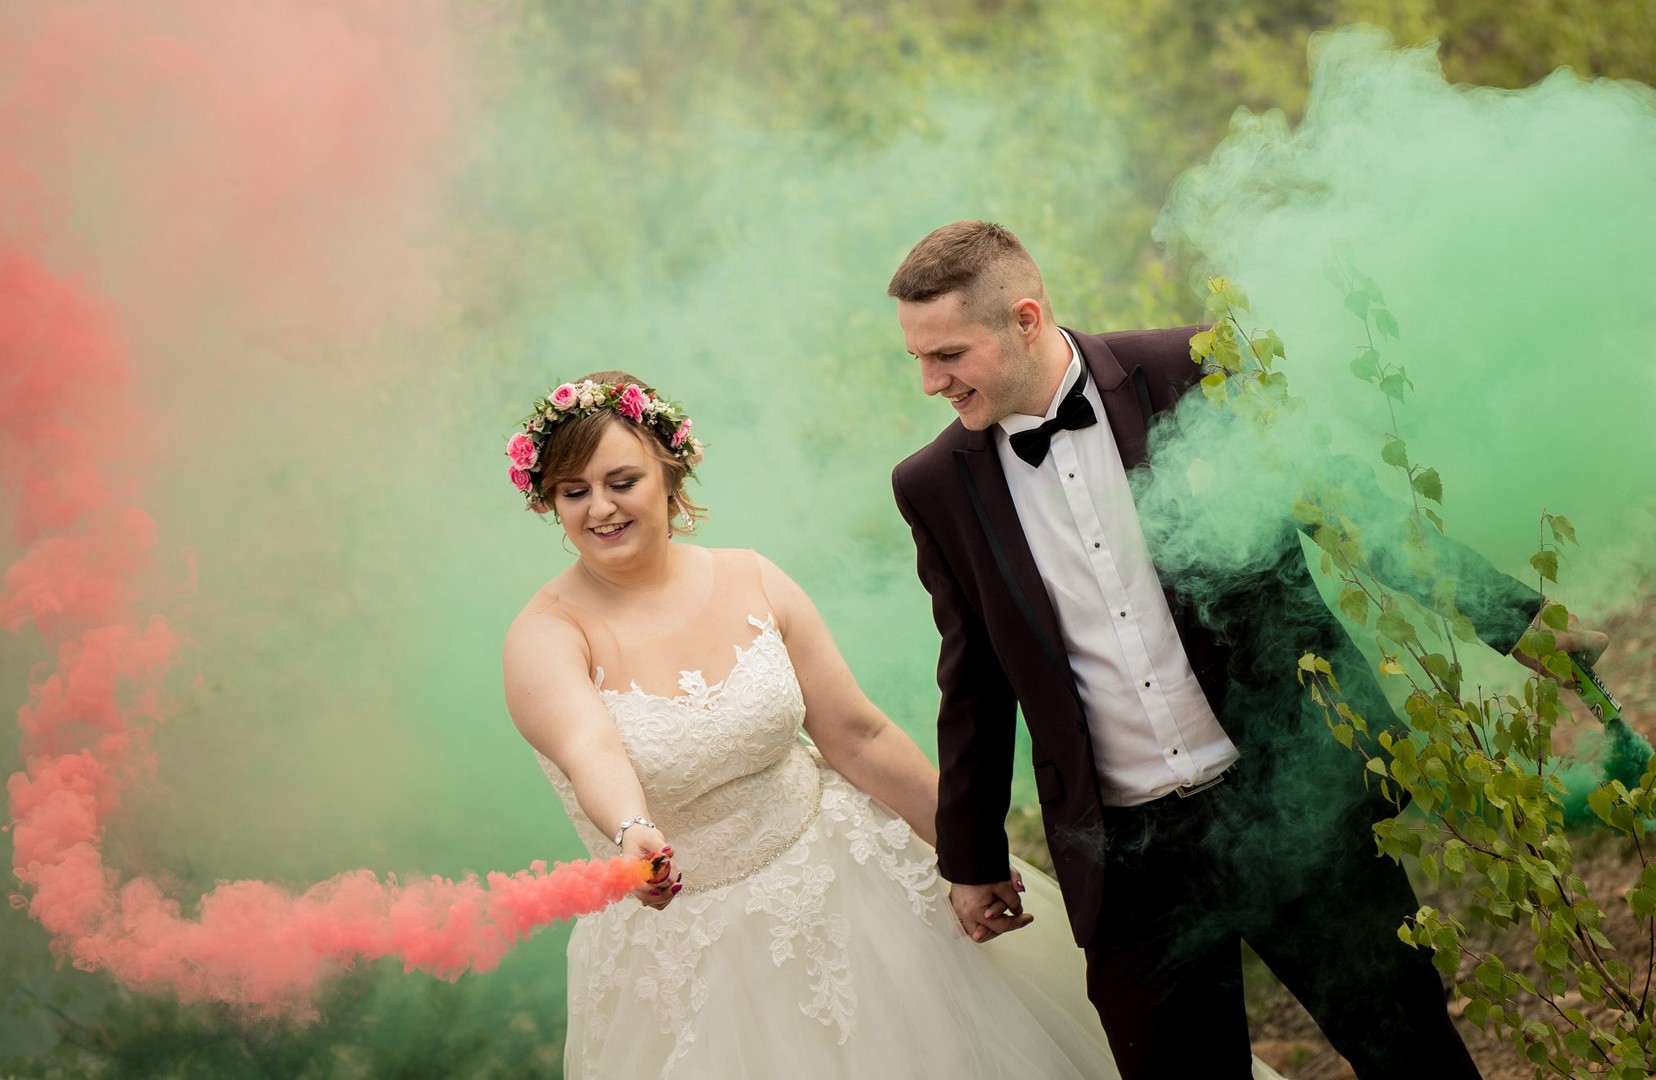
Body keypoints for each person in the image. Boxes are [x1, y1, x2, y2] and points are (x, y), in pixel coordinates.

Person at [886, 220, 1609, 1079]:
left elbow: (1347, 511)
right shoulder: (932, 486)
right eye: (918, 358)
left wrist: (1515, 620)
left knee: (1413, 1058)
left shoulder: (1193, 371)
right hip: (1129, 865)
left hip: (1290, 803)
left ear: (1026, 319)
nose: (930, 382)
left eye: (949, 355)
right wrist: (972, 858)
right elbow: (972, 676)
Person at [500, 371, 1241, 1078]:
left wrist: (967, 855)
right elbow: (590, 745)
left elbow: (857, 735)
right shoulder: (545, 637)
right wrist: (631, 829)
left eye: (621, 481)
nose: (600, 508)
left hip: (851, 888)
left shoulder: (752, 578)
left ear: (669, 473)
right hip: (682, 950)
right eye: (574, 491)